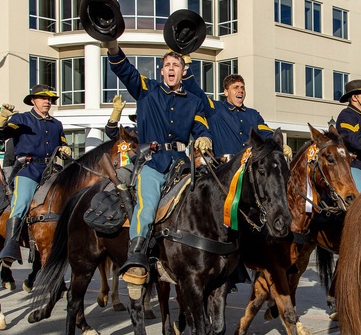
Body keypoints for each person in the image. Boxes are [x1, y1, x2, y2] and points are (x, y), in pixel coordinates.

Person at [101, 39, 212, 288]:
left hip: (182, 165)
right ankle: (137, 256)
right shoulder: (146, 90)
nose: (172, 68)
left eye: (177, 65)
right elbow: (124, 70)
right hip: (153, 164)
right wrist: (112, 46)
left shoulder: (193, 101)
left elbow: (201, 127)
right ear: (162, 71)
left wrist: (204, 138)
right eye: (168, 65)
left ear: (184, 71)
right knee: (147, 205)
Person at [0, 85, 72, 263]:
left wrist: (65, 150)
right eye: (43, 98)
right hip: (28, 170)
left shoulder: (56, 124)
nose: (47, 101)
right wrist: (2, 116)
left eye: (49, 99)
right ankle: (11, 244)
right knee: (21, 202)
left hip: (52, 171)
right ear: (33, 100)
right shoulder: (21, 119)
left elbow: (62, 144)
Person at [184, 73, 291, 160]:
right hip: (223, 171)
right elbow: (196, 92)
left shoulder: (253, 114)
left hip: (249, 171)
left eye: (242, 88)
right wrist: (185, 73)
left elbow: (266, 133)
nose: (240, 90)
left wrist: (280, 144)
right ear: (226, 92)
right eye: (236, 87)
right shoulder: (215, 109)